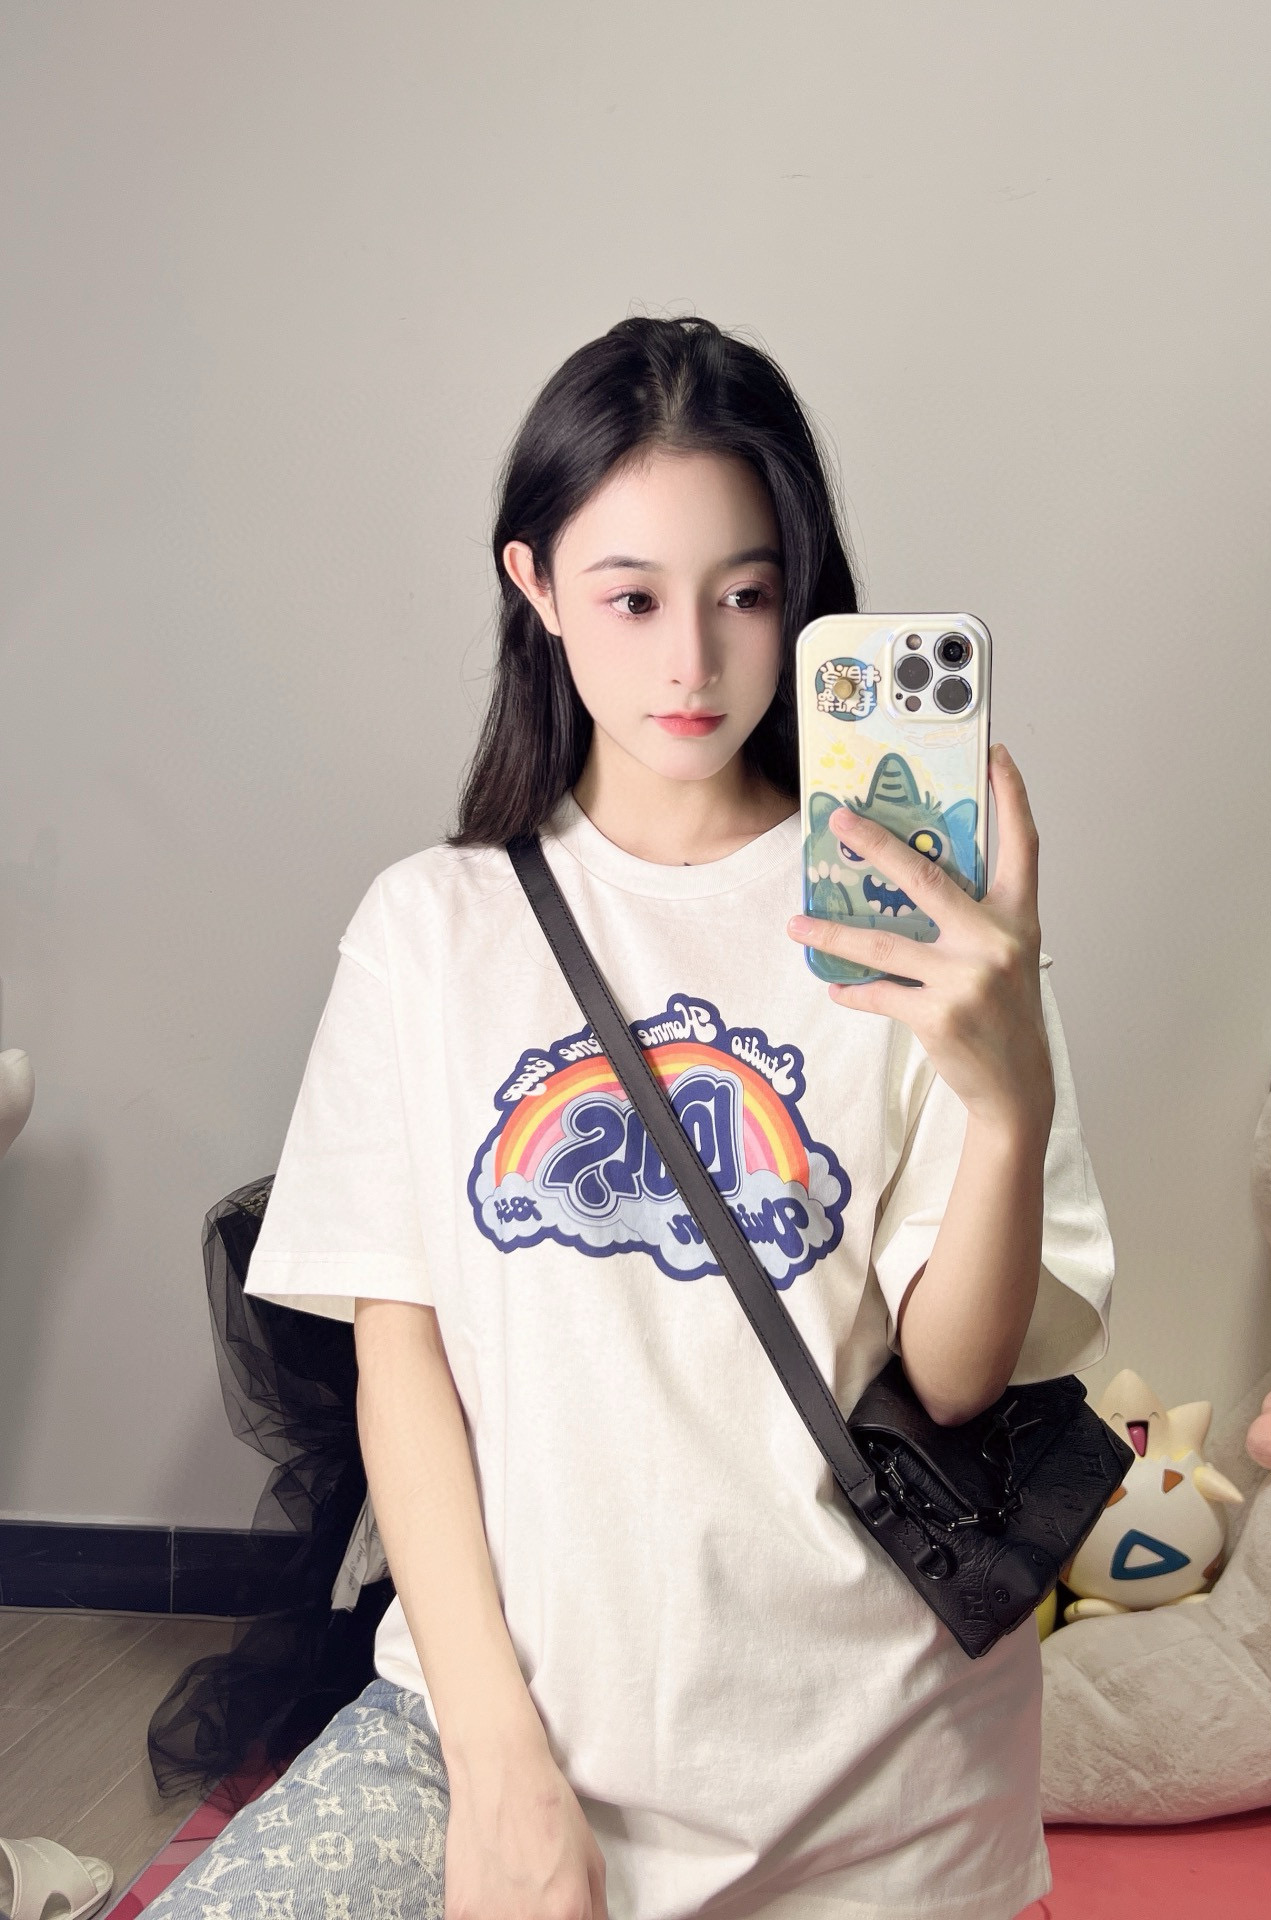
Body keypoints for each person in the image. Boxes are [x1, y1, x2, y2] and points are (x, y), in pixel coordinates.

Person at [156, 315, 1113, 1920]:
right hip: (494, 1733)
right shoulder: (428, 931)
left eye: (746, 594)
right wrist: (501, 1771)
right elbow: (402, 1360)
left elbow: (954, 1378)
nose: (692, 663)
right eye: (633, 597)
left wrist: (1007, 1108)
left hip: (881, 1795)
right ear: (534, 586)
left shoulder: (918, 931)